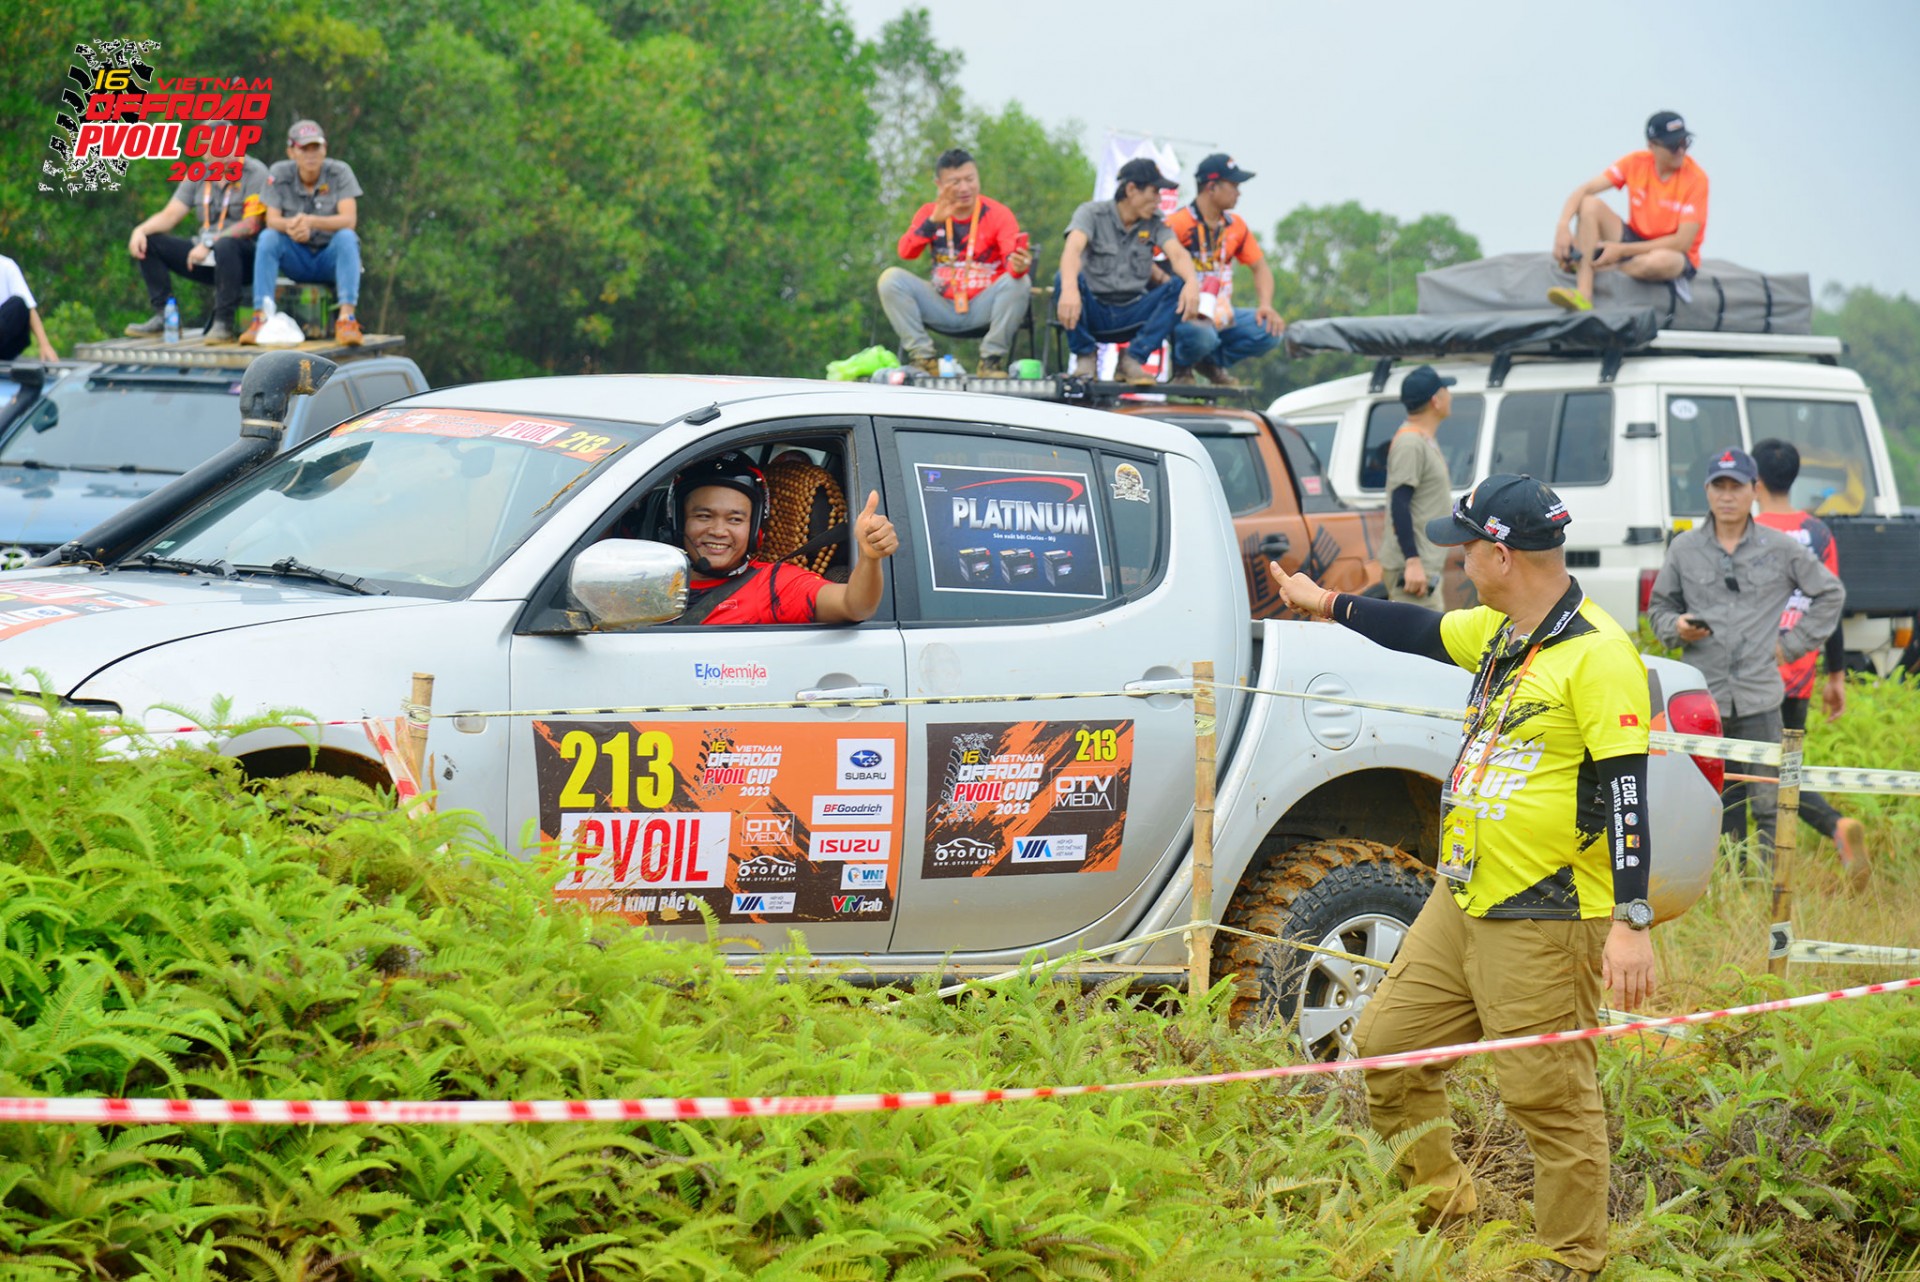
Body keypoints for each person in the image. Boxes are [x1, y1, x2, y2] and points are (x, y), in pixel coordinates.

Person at [1272, 474, 1657, 1281]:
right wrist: (1323, 602)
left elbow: (1627, 793)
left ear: (1499, 554)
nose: (1454, 559)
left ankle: (1571, 1262)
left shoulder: (1598, 656)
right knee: (1386, 1049)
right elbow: (1413, 628)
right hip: (1464, 894)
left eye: (1463, 545)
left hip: (1546, 911)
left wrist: (1631, 919)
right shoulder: (1502, 631)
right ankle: (1445, 1210)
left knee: (1548, 1098)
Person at [1646, 447, 1844, 870]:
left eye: (1737, 486)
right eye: (1719, 486)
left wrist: (1791, 646)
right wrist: (1676, 627)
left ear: (1754, 491)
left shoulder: (1780, 548)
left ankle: (1770, 891)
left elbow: (1830, 593)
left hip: (1758, 695)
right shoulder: (1684, 549)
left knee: (1770, 800)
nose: (1728, 495)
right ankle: (1727, 887)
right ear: (1707, 491)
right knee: (1716, 800)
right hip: (1702, 699)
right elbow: (1658, 607)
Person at [1747, 437, 1871, 886]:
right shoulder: (1818, 534)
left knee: (1746, 771)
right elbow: (1830, 607)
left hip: (1750, 674)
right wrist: (1835, 676)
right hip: (1798, 673)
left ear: (1754, 481)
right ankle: (1830, 830)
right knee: (1781, 767)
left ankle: (1756, 876)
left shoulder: (1743, 529)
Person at [672, 453, 898, 626]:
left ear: (755, 528)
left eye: (735, 520)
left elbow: (855, 606)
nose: (719, 531)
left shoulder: (773, 585)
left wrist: (869, 558)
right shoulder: (651, 576)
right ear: (679, 521)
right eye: (703, 516)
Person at [879, 149, 1032, 379]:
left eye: (970, 179)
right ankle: (923, 359)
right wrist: (932, 223)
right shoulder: (930, 212)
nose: (964, 188)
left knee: (1019, 282)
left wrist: (1020, 266)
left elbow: (1012, 260)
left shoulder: (998, 213)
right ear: (939, 184)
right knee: (891, 279)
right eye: (955, 182)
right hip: (941, 303)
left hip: (983, 305)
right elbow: (905, 252)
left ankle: (990, 362)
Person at [1056, 158, 1200, 385]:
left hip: (1133, 311)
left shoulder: (1154, 223)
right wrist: (1069, 289)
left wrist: (1192, 282)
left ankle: (1132, 358)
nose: (1159, 200)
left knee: (1179, 285)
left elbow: (1178, 254)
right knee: (1064, 279)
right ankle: (1085, 356)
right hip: (1093, 309)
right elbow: (1072, 250)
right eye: (1154, 191)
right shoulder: (1091, 214)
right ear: (1131, 189)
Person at [1548, 111, 1707, 313]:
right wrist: (1562, 226)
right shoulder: (1636, 163)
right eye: (1673, 145)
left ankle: (1592, 264)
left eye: (1685, 143)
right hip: (1634, 238)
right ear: (1652, 146)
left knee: (1661, 261)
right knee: (1589, 204)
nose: (1681, 151)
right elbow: (1585, 190)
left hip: (1672, 252)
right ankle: (1583, 293)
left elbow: (1681, 242)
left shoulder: (1696, 180)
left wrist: (1620, 251)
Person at [124, 126, 269, 342]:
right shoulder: (199, 174)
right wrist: (140, 230)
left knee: (226, 244)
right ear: (204, 150)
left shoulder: (255, 172)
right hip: (205, 257)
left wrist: (211, 242)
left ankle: (223, 323)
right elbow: (170, 215)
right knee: (150, 242)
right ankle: (165, 316)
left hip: (244, 259)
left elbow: (251, 224)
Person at [1164, 153, 1284, 387]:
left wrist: (1266, 305)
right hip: (1185, 313)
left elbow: (1260, 268)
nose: (1239, 192)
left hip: (1220, 311)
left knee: (1271, 331)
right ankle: (1182, 366)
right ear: (1211, 187)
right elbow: (1149, 265)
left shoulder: (1235, 226)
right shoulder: (1178, 223)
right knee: (1202, 335)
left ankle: (1209, 364)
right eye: (1234, 185)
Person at [241, 119, 364, 347]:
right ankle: (261, 316)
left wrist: (311, 222)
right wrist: (293, 228)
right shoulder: (279, 172)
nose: (310, 154)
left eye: (315, 147)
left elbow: (349, 219)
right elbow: (272, 219)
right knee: (268, 237)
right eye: (303, 148)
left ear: (324, 149)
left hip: (329, 259)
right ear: (291, 151)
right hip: (297, 257)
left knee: (347, 237)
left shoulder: (340, 172)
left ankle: (347, 319)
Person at [1381, 365, 1455, 608]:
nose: (1450, 396)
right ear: (1436, 400)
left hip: (1424, 567)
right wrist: (1412, 561)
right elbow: (1399, 502)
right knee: (1421, 644)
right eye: (1446, 390)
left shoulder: (1422, 439)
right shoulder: (1410, 443)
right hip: (1413, 571)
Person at [0, 254, 58, 362]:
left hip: (5, 342)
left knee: (18, 303)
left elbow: (29, 307)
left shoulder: (6, 266)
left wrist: (44, 345)